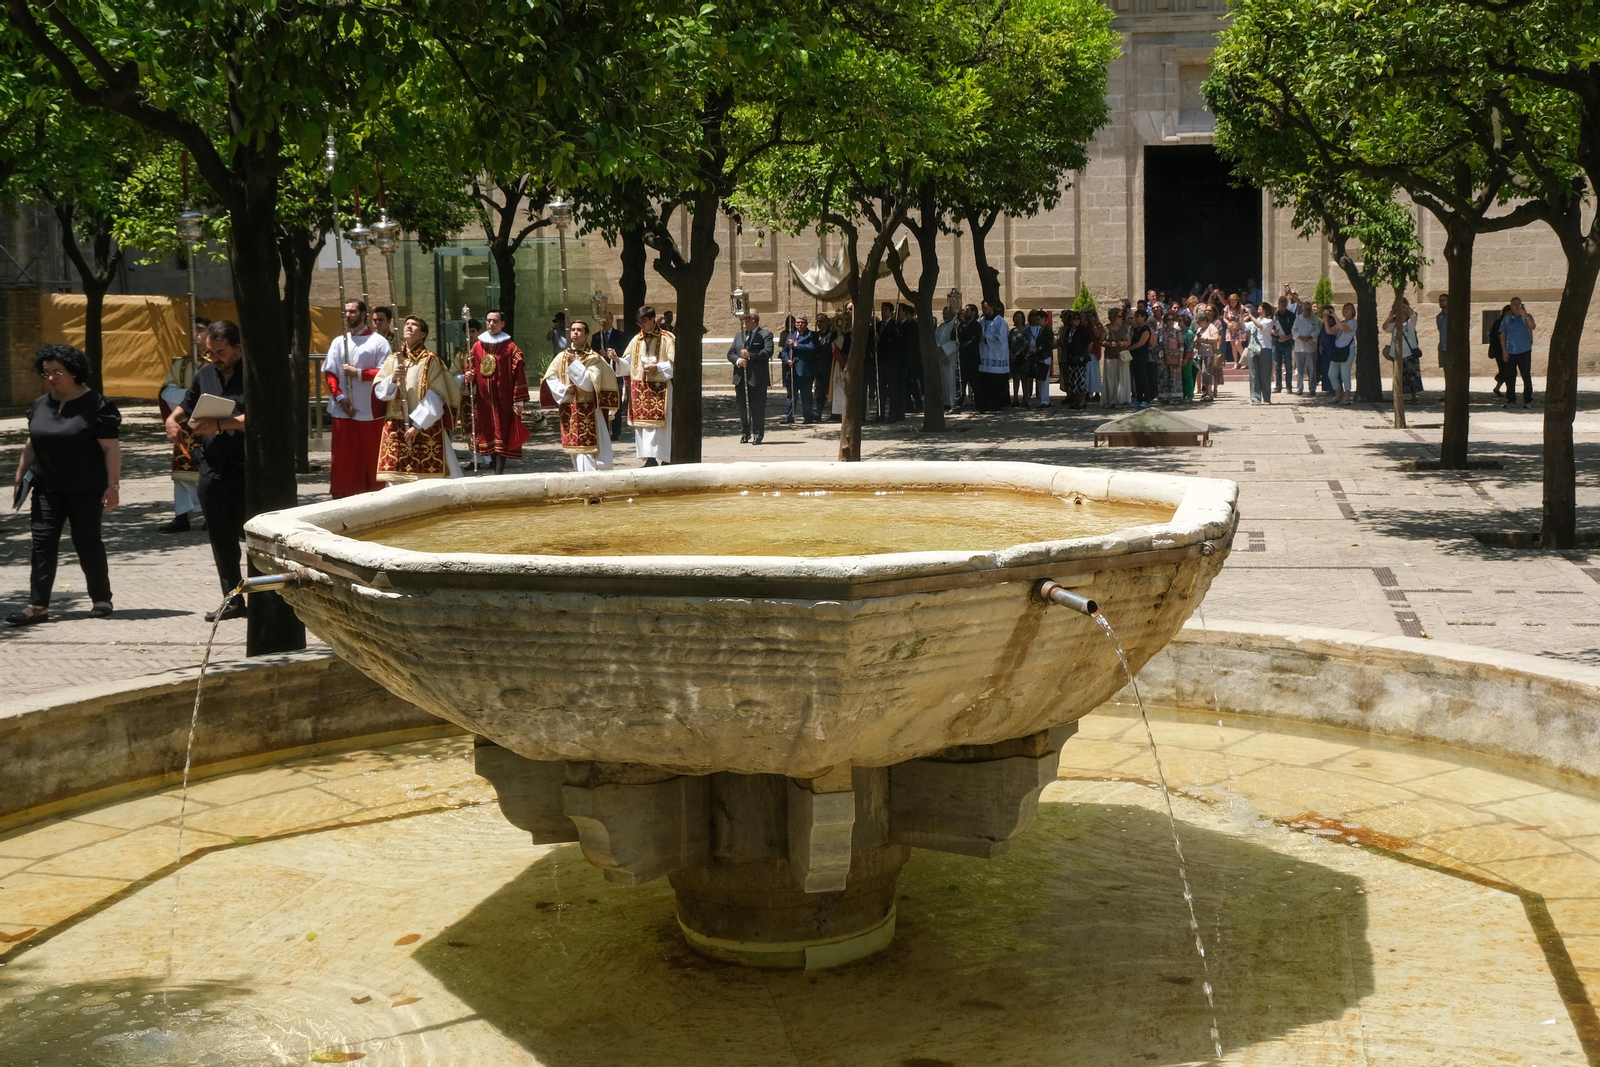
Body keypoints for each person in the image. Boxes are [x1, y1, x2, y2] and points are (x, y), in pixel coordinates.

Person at [9, 344, 121, 626]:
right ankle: (38, 605)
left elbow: (110, 448)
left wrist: (113, 486)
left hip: (86, 488)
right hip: (47, 488)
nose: (51, 378)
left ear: (74, 371)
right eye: (46, 372)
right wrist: (20, 476)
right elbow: (32, 443)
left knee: (87, 542)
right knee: (42, 544)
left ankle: (101, 599)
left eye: (58, 372)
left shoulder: (96, 405)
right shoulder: (40, 404)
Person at [167, 321, 248, 620]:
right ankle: (233, 600)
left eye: (221, 352)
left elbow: (263, 416)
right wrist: (173, 419)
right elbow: (187, 404)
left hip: (247, 466)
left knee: (252, 535)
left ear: (238, 348)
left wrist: (221, 424)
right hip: (213, 463)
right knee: (221, 538)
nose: (215, 357)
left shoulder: (253, 375)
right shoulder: (205, 374)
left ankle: (267, 597)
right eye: (210, 352)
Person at [374, 315, 463, 482]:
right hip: (397, 426)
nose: (408, 326)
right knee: (396, 476)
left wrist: (417, 425)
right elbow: (380, 392)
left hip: (425, 425)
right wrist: (393, 378)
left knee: (432, 480)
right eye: (406, 324)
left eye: (414, 325)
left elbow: (437, 395)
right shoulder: (393, 359)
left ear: (422, 334)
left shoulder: (430, 361)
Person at [323, 299, 391, 498]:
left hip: (370, 411)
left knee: (371, 461)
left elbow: (385, 372)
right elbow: (330, 372)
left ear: (363, 314)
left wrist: (359, 373)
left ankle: (375, 500)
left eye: (352, 311)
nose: (348, 315)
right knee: (345, 461)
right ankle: (342, 499)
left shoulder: (379, 342)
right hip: (343, 411)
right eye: (346, 312)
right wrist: (340, 398)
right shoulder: (338, 342)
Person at [543, 319, 622, 470]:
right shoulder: (561, 357)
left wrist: (574, 363)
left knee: (588, 451)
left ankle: (591, 480)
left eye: (579, 330)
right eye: (573, 330)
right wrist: (564, 389)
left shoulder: (593, 358)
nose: (575, 333)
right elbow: (550, 377)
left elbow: (589, 384)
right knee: (575, 451)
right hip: (569, 409)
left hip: (589, 410)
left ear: (586, 335)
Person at [156, 315, 208, 533]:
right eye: (193, 330)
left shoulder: (216, 364)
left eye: (201, 329)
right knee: (181, 472)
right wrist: (188, 397)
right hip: (184, 425)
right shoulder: (182, 364)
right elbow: (167, 389)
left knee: (207, 471)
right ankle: (181, 516)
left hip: (208, 424)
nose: (196, 334)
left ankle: (210, 514)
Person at [465, 310, 530, 475]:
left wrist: (518, 401)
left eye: (495, 321)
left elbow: (518, 373)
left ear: (502, 323)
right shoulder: (477, 346)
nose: (491, 324)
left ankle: (498, 472)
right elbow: (471, 369)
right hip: (484, 401)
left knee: (502, 435)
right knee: (488, 434)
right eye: (488, 321)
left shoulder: (510, 348)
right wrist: (469, 377)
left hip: (503, 401)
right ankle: (495, 469)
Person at [625, 306, 675, 464]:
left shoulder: (667, 338)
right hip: (640, 388)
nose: (641, 325)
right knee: (644, 427)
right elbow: (627, 363)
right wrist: (616, 359)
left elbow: (675, 364)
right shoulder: (636, 340)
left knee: (662, 427)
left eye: (644, 321)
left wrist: (658, 367)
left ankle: (666, 458)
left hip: (660, 388)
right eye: (639, 322)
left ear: (653, 319)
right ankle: (650, 459)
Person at [730, 310, 773, 443]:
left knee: (757, 407)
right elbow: (730, 353)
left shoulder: (765, 334)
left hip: (757, 378)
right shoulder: (739, 335)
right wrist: (738, 360)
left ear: (753, 319)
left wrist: (750, 355)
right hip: (741, 377)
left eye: (746, 319)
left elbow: (768, 352)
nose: (744, 322)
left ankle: (758, 434)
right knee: (743, 407)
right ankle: (745, 432)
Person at [1383, 297, 1423, 401]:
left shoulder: (1410, 322)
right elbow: (1385, 327)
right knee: (1398, 375)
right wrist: (1390, 317)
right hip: (1397, 353)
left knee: (1412, 375)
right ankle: (1398, 397)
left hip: (1409, 352)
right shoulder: (1394, 323)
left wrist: (1405, 306)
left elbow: (1413, 315)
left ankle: (1413, 397)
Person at [1498, 295, 1535, 407]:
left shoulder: (1527, 317)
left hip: (1524, 350)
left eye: (1519, 304)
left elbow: (1533, 327)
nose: (1517, 306)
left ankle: (1527, 400)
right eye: (1514, 304)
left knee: (1526, 375)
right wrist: (1504, 350)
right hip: (1510, 351)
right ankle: (1511, 399)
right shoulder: (1507, 319)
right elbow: (1502, 334)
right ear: (1511, 306)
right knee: (1510, 376)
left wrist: (1525, 316)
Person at [598, 314, 630, 437]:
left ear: (611, 320)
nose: (605, 322)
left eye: (607, 319)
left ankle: (616, 431)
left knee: (616, 401)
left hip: (617, 372)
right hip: (602, 373)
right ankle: (605, 430)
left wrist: (613, 354)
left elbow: (625, 353)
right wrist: (600, 353)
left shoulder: (620, 335)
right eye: (603, 319)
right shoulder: (597, 337)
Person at [787, 315, 823, 424]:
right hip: (792, 370)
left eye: (802, 322)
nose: (800, 324)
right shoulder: (791, 335)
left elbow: (812, 348)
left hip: (805, 370)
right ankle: (789, 417)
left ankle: (808, 417)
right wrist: (786, 360)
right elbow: (784, 350)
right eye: (798, 322)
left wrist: (796, 344)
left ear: (806, 324)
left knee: (806, 395)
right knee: (791, 395)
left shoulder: (812, 335)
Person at [977, 300, 1010, 412]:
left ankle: (996, 405)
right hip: (984, 357)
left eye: (985, 308)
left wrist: (986, 338)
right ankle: (986, 404)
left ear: (991, 307)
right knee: (985, 382)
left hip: (996, 356)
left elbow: (1000, 337)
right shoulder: (982, 320)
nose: (983, 310)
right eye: (982, 308)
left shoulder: (999, 321)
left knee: (996, 383)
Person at [1102, 306, 1132, 408]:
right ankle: (1111, 401)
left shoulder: (1124, 328)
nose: (1121, 318)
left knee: (1123, 378)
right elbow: (1101, 341)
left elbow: (1129, 340)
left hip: (1122, 356)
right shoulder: (1106, 328)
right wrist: (1109, 344)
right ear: (1113, 317)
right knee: (1110, 379)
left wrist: (1123, 344)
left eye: (1121, 316)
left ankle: (1122, 400)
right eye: (1119, 316)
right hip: (1110, 356)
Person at [1127, 308, 1156, 409]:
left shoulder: (1146, 330)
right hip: (1134, 356)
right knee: (1136, 378)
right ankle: (1139, 398)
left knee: (1143, 378)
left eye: (1138, 316)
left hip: (1142, 356)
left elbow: (1140, 343)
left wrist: (1128, 349)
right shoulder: (1136, 329)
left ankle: (1147, 398)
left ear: (1144, 318)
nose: (1135, 318)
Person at [1291, 299, 1321, 395]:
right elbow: (1294, 329)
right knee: (1299, 369)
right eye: (1306, 309)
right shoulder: (1298, 318)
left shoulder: (1316, 319)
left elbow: (1317, 331)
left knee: (1312, 369)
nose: (1308, 311)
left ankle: (1312, 388)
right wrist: (1299, 337)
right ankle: (1299, 388)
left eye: (1309, 309)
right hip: (1299, 347)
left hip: (1310, 347)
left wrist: (1310, 337)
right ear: (1303, 310)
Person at [1247, 302, 1275, 404]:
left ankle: (1267, 398)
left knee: (1265, 374)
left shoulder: (1269, 321)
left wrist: (1250, 316)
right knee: (1254, 374)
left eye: (1260, 309)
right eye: (1258, 309)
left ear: (1265, 310)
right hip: (1253, 348)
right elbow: (1243, 326)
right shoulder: (1256, 319)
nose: (1258, 311)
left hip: (1265, 348)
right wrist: (1241, 316)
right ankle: (1255, 398)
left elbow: (1259, 326)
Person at [956, 304, 982, 410]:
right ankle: (958, 405)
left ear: (973, 313)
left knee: (975, 384)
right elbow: (957, 337)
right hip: (963, 359)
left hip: (972, 359)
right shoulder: (962, 325)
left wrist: (962, 345)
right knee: (961, 384)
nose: (965, 313)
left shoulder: (976, 325)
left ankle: (980, 406)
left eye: (967, 311)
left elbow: (974, 340)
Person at [1326, 305, 1353, 402]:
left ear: (1353, 311)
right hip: (1338, 350)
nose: (1345, 310)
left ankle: (1347, 397)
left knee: (1345, 373)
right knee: (1332, 374)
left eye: (1348, 308)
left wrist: (1334, 315)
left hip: (1348, 349)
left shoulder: (1353, 322)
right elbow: (1329, 331)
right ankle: (1338, 395)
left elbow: (1343, 328)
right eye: (1344, 308)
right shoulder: (1341, 322)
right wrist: (1325, 318)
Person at [934, 306, 959, 414]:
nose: (945, 316)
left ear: (952, 314)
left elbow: (956, 341)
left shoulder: (955, 326)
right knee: (943, 380)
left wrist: (944, 349)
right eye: (943, 314)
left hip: (950, 356)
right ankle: (945, 402)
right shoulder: (941, 326)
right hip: (941, 355)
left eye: (947, 314)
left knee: (951, 380)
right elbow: (935, 338)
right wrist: (938, 348)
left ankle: (953, 403)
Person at [1156, 310, 1184, 403]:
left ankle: (1175, 397)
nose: (1170, 321)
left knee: (1175, 378)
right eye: (1168, 319)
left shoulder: (1177, 332)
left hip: (1174, 358)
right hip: (1162, 359)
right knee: (1163, 378)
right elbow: (1156, 345)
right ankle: (1164, 397)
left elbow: (1181, 347)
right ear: (1165, 321)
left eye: (1172, 319)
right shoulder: (1160, 332)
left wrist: (1180, 360)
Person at [1196, 309, 1221, 401]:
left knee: (1207, 373)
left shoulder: (1211, 327)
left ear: (1204, 320)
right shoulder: (1199, 329)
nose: (1198, 324)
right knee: (1203, 373)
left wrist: (1204, 340)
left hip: (1209, 353)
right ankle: (1204, 392)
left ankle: (1209, 393)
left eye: (1199, 321)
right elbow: (1196, 338)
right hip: (1201, 353)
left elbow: (1216, 339)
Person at [1008, 310, 1032, 407]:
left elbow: (1026, 343)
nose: (1017, 318)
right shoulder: (1012, 331)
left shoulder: (1026, 330)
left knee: (1024, 379)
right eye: (1016, 317)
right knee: (1015, 378)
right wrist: (1011, 354)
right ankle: (1015, 399)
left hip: (1023, 357)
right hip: (1013, 358)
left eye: (1019, 317)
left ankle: (1025, 399)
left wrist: (1017, 353)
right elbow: (1008, 343)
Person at [1272, 295, 1295, 394]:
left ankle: (1289, 387)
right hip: (1276, 342)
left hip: (1288, 342)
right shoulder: (1274, 315)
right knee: (1277, 366)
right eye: (1282, 301)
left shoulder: (1291, 315)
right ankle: (1278, 386)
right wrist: (1273, 332)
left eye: (1285, 301)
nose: (1283, 303)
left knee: (1288, 366)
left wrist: (1286, 338)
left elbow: (1294, 330)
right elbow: (1270, 328)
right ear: (1278, 303)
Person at [1488, 303, 1511, 398]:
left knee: (1508, 371)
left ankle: (1498, 388)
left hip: (1511, 350)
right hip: (1499, 351)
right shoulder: (1498, 322)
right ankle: (1502, 386)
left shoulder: (1514, 322)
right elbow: (1492, 335)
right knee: (1505, 370)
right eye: (1508, 313)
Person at [1435, 294, 1449, 372]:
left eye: (1443, 300)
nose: (1441, 302)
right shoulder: (1439, 317)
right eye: (1440, 301)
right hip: (1443, 347)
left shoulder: (1454, 316)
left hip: (1452, 348)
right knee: (1446, 370)